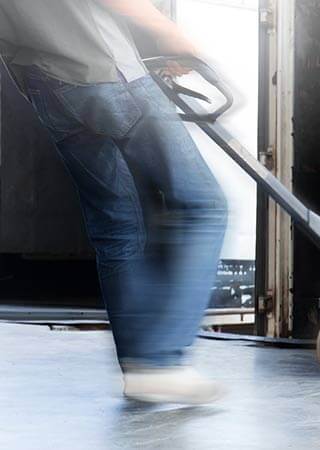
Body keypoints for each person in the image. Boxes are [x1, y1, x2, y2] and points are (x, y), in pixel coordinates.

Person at [0, 1, 228, 404]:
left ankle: (140, 370)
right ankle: (162, 362)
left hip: (45, 87)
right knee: (203, 206)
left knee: (117, 227)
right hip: (107, 73)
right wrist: (166, 31)